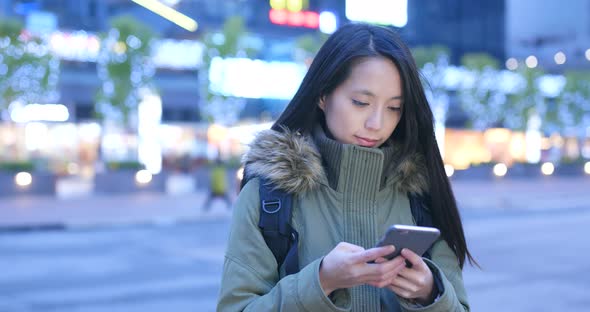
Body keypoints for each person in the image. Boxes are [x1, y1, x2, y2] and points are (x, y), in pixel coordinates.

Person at [217, 23, 476, 311]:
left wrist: (430, 292)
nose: (376, 123)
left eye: (394, 108)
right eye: (360, 102)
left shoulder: (420, 195)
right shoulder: (270, 195)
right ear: (322, 94)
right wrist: (322, 281)